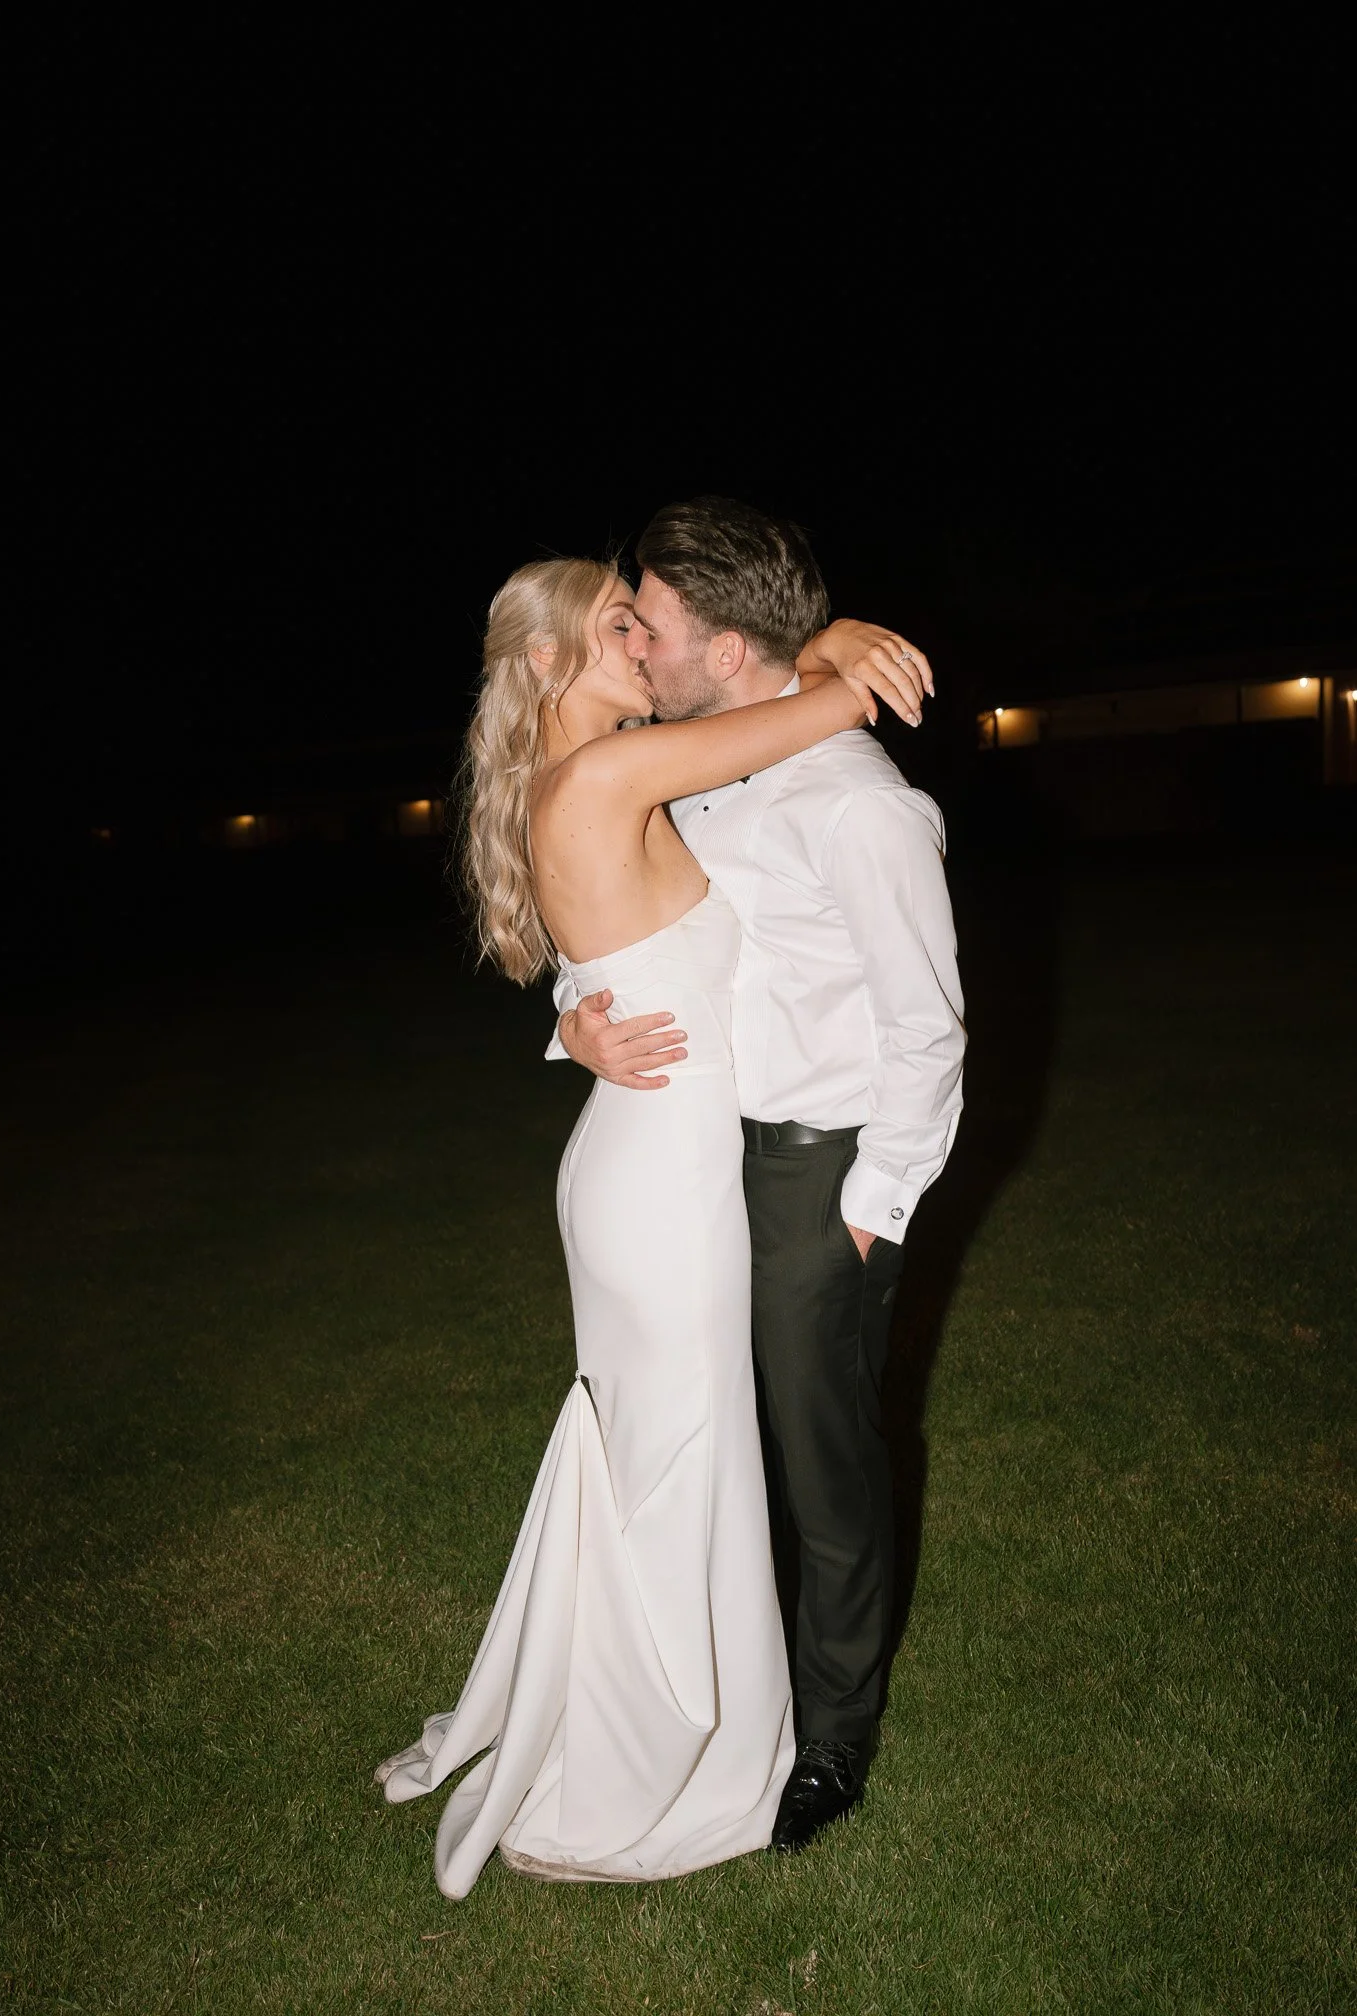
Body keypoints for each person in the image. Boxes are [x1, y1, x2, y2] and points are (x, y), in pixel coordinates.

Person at [375, 551, 925, 1897]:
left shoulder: (601, 778)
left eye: (643, 618)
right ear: (553, 660)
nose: (646, 641)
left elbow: (611, 955)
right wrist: (830, 641)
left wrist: (574, 1020)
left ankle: (665, 1717)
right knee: (679, 1468)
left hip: (657, 1169)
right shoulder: (611, 776)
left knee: (671, 1461)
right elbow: (819, 709)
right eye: (619, 623)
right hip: (660, 1188)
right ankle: (645, 1763)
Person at [553, 498, 965, 1854]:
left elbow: (927, 1031)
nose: (634, 640)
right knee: (723, 1445)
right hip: (695, 1162)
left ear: (721, 650)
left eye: (651, 625)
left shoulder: (864, 811)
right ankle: (725, 1692)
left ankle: (833, 1742)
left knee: (822, 1461)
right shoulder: (703, 755)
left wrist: (870, 1216)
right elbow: (605, 895)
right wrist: (571, 1012)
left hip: (816, 1173)